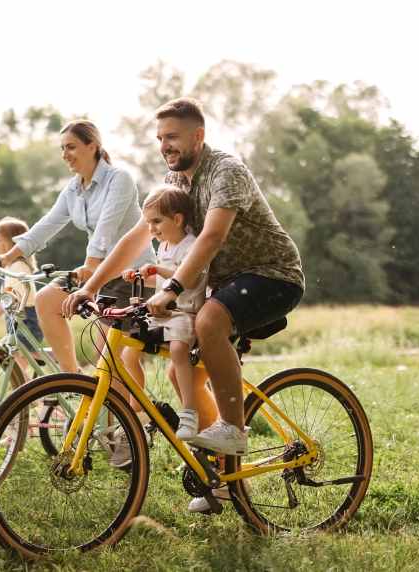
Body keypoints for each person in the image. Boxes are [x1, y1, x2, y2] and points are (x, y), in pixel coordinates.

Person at [64, 97, 304, 509]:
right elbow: (138, 237)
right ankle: (221, 479)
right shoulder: (174, 184)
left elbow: (212, 237)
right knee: (185, 376)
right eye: (160, 138)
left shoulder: (226, 171)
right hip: (223, 282)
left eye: (172, 137)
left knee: (210, 322)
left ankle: (234, 427)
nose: (165, 146)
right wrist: (92, 285)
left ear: (198, 135)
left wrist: (172, 288)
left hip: (272, 274)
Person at [0, 119, 156, 467]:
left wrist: (90, 266)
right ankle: (74, 381)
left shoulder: (119, 179)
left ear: (92, 146)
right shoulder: (73, 189)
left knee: (117, 361)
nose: (65, 154)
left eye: (71, 147)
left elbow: (107, 229)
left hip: (131, 275)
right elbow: (48, 224)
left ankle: (135, 429)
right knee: (47, 299)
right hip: (95, 271)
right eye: (62, 148)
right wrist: (11, 254)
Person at [122, 184, 210, 441]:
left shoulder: (191, 245)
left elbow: (190, 280)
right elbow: (161, 284)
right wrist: (140, 274)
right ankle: (136, 405)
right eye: (148, 223)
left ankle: (189, 413)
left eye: (156, 222)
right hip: (163, 313)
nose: (151, 230)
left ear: (178, 219)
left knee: (178, 351)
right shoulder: (165, 247)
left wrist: (157, 270)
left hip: (186, 313)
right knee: (129, 349)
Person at [0, 217, 44, 373]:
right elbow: (5, 301)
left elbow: (7, 301)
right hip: (19, 326)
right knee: (10, 367)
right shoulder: (12, 267)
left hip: (26, 325)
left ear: (13, 243)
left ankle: (33, 397)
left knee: (15, 371)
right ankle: (32, 395)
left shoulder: (18, 268)